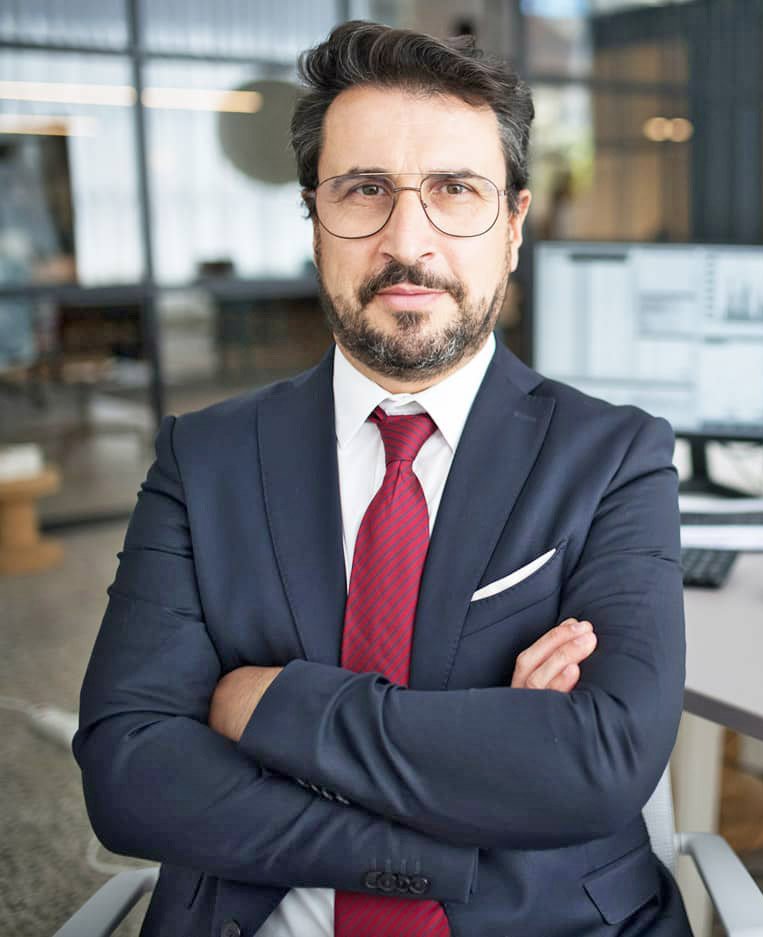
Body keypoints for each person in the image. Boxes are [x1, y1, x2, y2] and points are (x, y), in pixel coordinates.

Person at [73, 21, 689, 937]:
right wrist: (464, 790)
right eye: (364, 190)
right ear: (315, 218)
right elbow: (130, 774)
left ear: (514, 225)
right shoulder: (202, 459)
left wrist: (268, 703)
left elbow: (599, 761)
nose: (409, 239)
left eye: (455, 190)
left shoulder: (613, 457)